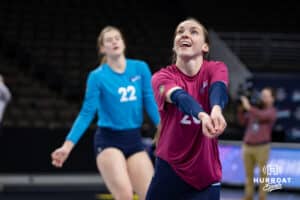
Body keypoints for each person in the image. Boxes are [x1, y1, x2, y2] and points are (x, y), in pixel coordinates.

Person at [51, 26, 160, 200]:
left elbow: (150, 101)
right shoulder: (97, 77)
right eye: (109, 40)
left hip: (134, 140)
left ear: (123, 42)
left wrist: (164, 127)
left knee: (152, 194)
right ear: (102, 49)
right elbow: (87, 113)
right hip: (109, 141)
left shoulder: (140, 68)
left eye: (117, 38)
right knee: (124, 195)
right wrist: (67, 146)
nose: (114, 41)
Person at [146, 18, 229, 200]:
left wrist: (216, 110)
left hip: (205, 177)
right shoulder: (161, 77)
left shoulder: (216, 68)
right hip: (169, 173)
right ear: (175, 45)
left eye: (193, 31)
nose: (184, 34)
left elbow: (219, 89)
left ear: (205, 47)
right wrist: (202, 115)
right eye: (180, 31)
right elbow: (180, 97)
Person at [238, 87, 277, 200]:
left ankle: (262, 197)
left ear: (272, 99)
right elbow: (242, 122)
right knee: (248, 175)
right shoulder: (254, 110)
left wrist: (249, 107)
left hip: (262, 147)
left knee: (263, 175)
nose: (262, 98)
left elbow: (262, 116)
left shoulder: (271, 111)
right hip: (247, 146)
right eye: (262, 95)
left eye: (266, 96)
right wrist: (241, 109)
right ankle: (248, 196)